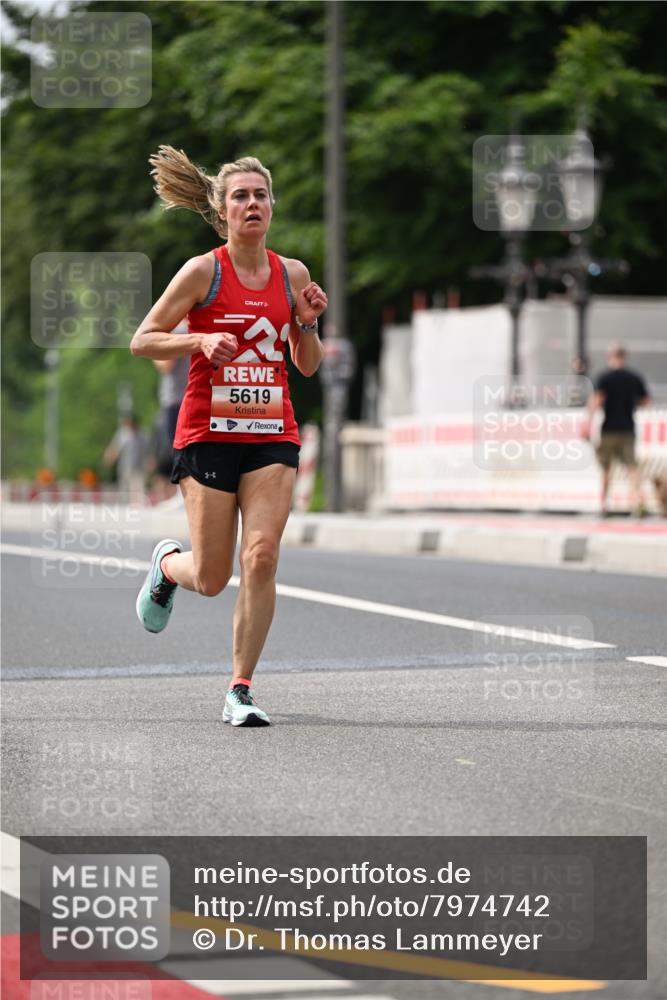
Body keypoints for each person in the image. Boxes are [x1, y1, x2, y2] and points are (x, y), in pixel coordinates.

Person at [130, 147, 327, 726]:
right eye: (240, 195)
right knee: (213, 577)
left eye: (260, 195)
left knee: (261, 556)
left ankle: (240, 689)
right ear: (222, 209)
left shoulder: (293, 274)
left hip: (272, 432)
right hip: (207, 433)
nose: (252, 204)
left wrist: (310, 321)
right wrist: (198, 342)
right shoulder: (202, 272)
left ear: (272, 207)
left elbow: (307, 364)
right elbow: (143, 340)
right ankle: (169, 567)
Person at [583, 345, 651, 517]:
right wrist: (630, 404)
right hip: (628, 428)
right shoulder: (634, 377)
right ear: (625, 357)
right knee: (632, 467)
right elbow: (645, 401)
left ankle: (604, 505)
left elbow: (596, 401)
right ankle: (638, 504)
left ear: (610, 356)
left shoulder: (604, 377)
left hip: (609, 429)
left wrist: (587, 424)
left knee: (606, 467)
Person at [103, 414, 149, 501]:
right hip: (125, 466)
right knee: (125, 488)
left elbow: (148, 450)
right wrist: (110, 456)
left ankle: (137, 507)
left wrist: (149, 461)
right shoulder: (122, 434)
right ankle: (126, 506)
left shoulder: (143, 435)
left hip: (139, 466)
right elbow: (115, 447)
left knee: (138, 488)